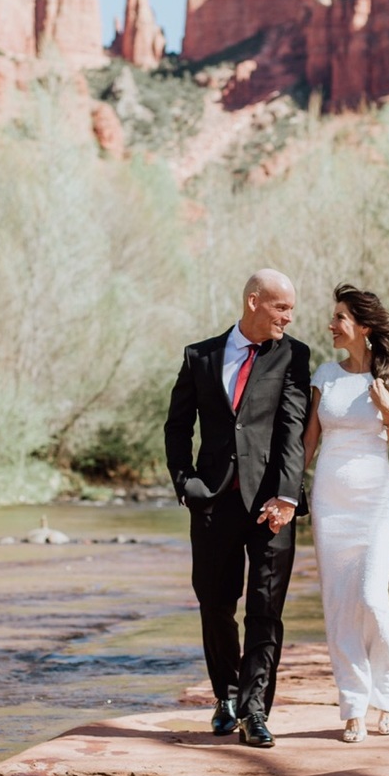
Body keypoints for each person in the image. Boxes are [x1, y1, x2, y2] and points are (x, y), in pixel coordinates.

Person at [164, 269, 311, 748]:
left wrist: (288, 496)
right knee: (215, 604)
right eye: (280, 308)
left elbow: (293, 430)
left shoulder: (294, 356)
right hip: (213, 502)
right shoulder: (200, 356)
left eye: (290, 309)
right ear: (253, 302)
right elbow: (176, 426)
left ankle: (254, 711)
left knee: (266, 610)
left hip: (272, 505)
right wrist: (186, 484)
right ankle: (225, 699)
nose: (289, 317)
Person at [303, 283, 389, 743]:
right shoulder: (325, 375)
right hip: (329, 502)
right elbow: (310, 440)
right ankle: (353, 707)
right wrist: (288, 489)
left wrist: (388, 411)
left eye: (340, 318)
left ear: (364, 327)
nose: (331, 325)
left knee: (372, 596)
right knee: (339, 606)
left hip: (374, 502)